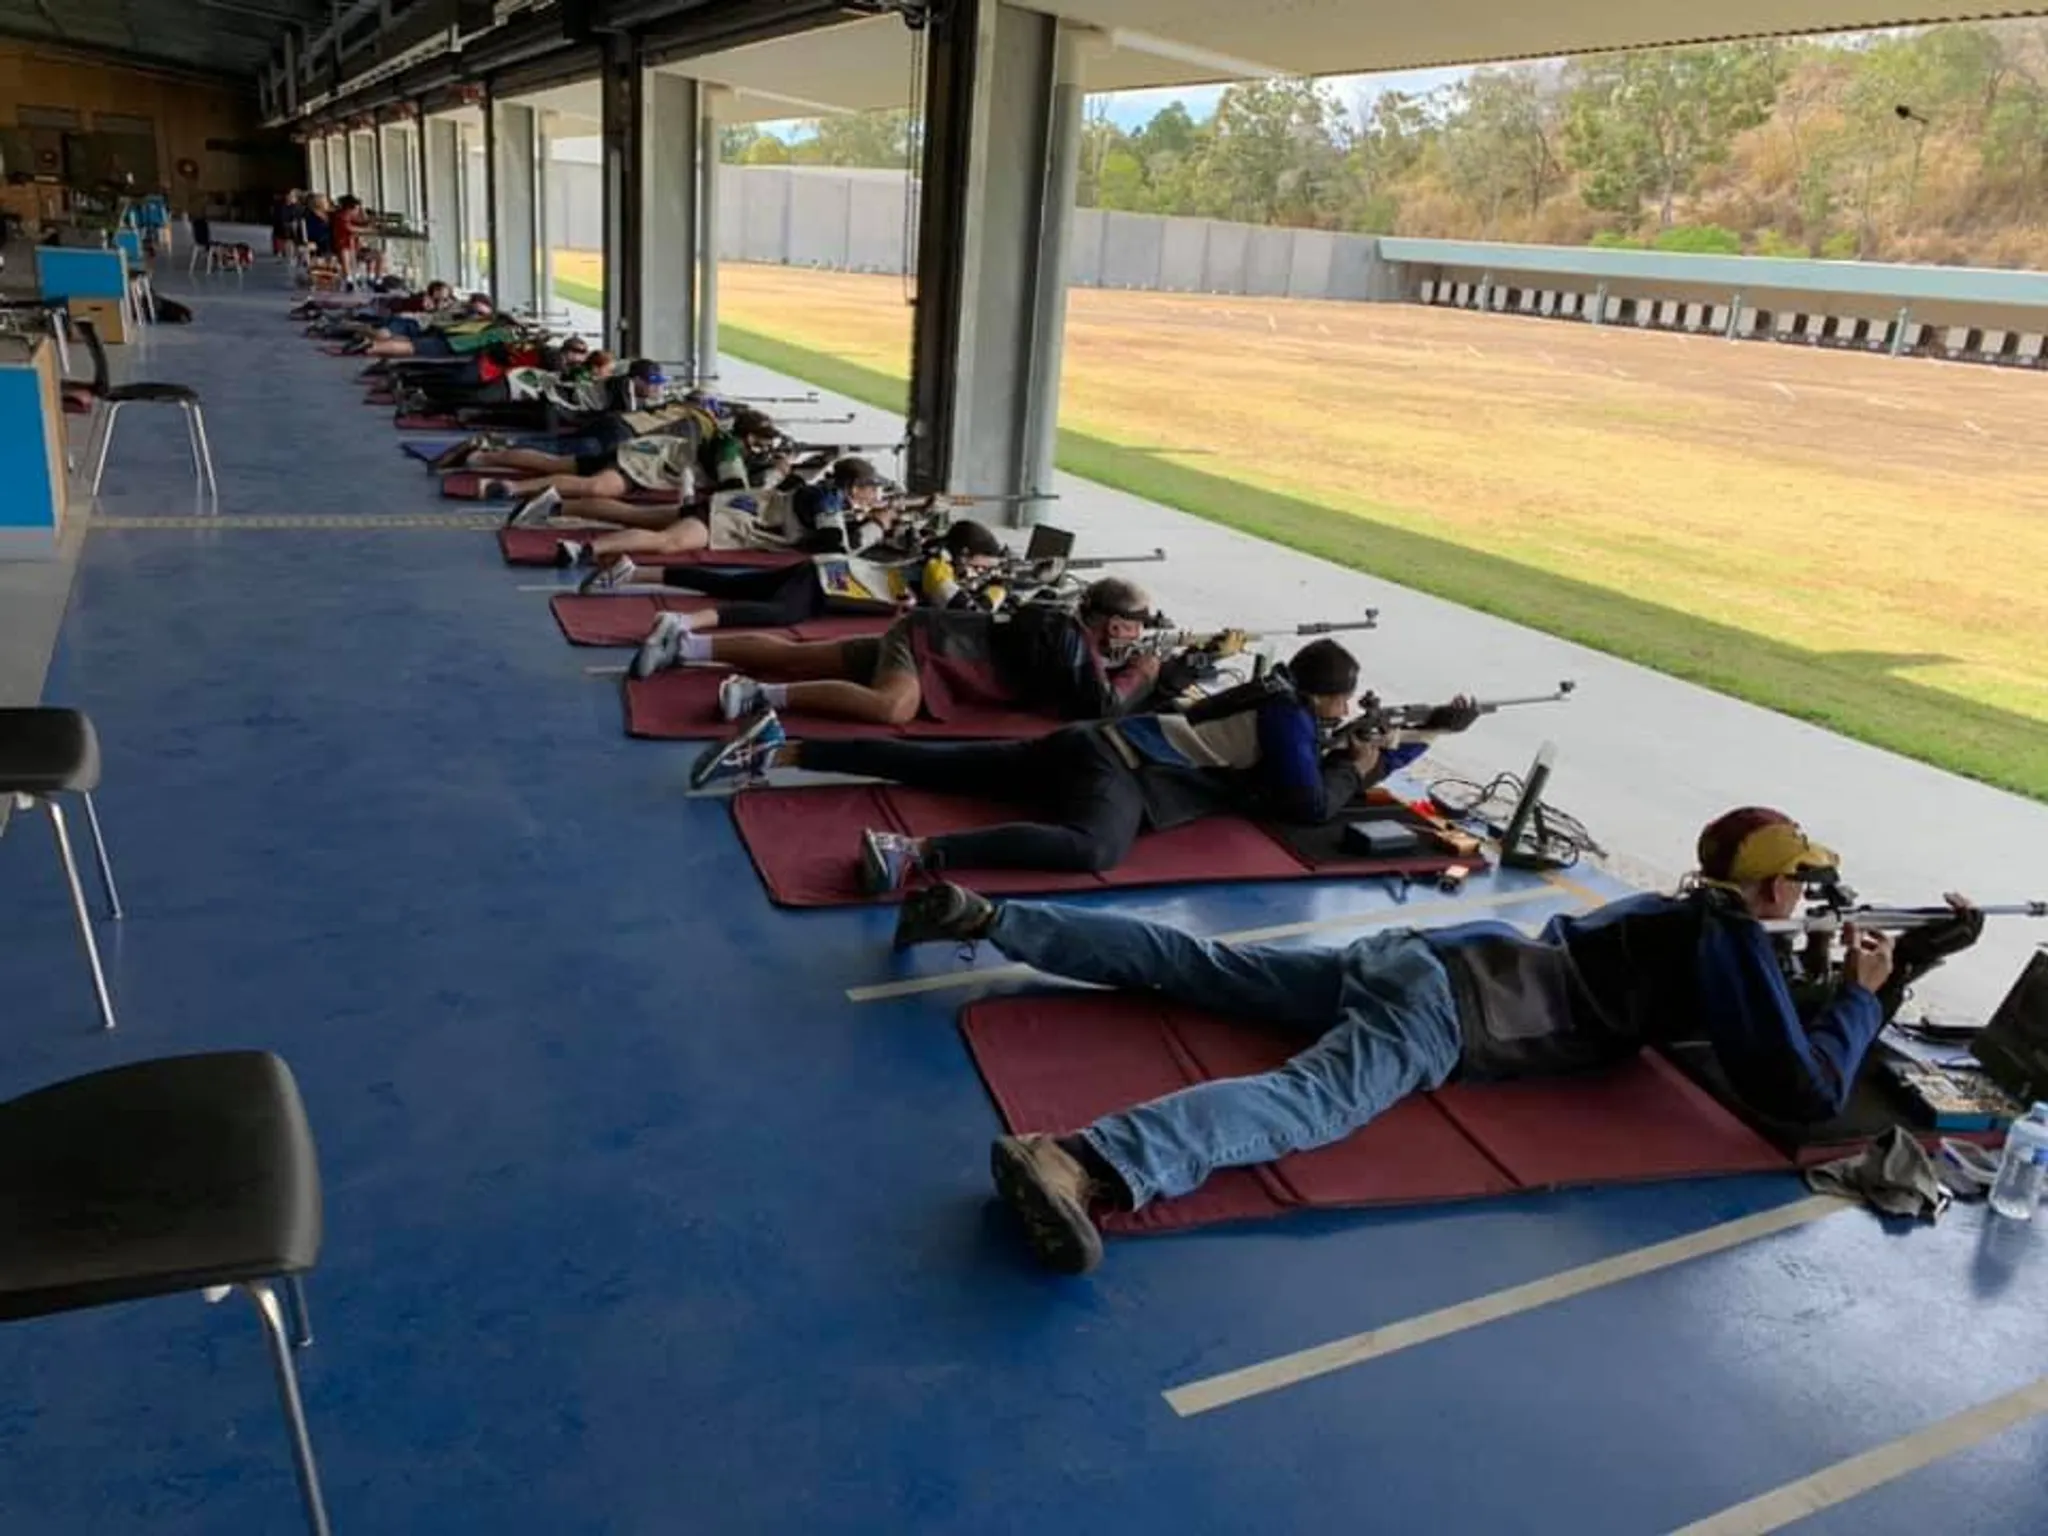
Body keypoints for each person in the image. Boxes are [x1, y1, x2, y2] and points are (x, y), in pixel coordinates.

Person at [886, 806, 1985, 1273]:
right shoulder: (1729, 941)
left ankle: (986, 916)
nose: (1809, 896)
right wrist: (1871, 996)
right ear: (1774, 889)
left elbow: (1763, 1000)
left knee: (1205, 965)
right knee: (1305, 1102)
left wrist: (1903, 965)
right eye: (1802, 883)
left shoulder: (1686, 909)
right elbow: (1799, 1086)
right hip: (1448, 1014)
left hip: (1424, 956)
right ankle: (1082, 1160)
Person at [693, 640, 1482, 890]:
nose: (1345, 714)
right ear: (1325, 698)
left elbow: (1314, 761)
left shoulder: (1276, 699)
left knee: (940, 765)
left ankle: (781, 747)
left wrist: (1418, 738)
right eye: (1342, 704)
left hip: (1092, 742)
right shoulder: (1289, 721)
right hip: (1120, 774)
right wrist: (1366, 764)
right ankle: (917, 853)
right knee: (1094, 849)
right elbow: (1305, 804)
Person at [669, 576, 1164, 752]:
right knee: (892, 708)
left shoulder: (1066, 628)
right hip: (929, 647)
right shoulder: (1071, 642)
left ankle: (689, 647)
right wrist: (1144, 671)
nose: (1140, 633)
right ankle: (758, 694)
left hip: (932, 643)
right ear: (1117, 624)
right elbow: (1101, 703)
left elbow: (1079, 686)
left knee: (802, 655)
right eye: (1137, 625)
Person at [589, 518, 1011, 641]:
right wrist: (997, 592)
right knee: (780, 614)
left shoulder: (940, 563)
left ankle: (635, 571)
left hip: (828, 571)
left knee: (734, 584)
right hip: (832, 581)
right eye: (983, 564)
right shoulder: (939, 568)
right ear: (965, 555)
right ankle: (684, 622)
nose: (984, 571)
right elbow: (966, 613)